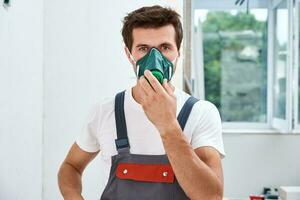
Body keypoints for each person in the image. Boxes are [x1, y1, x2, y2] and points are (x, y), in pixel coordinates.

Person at [58, 5, 225, 200]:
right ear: (129, 55)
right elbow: (70, 167)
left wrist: (168, 126)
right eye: (143, 49)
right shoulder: (105, 111)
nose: (154, 59)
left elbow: (211, 196)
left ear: (178, 52)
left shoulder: (201, 113)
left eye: (165, 47)